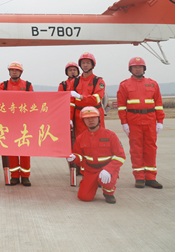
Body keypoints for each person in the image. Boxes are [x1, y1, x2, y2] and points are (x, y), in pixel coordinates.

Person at [117, 57, 165, 189]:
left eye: (140, 67)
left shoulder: (153, 84)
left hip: (150, 121)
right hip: (133, 122)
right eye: (135, 67)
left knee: (151, 149)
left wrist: (160, 121)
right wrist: (124, 123)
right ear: (130, 69)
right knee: (136, 150)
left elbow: (158, 104)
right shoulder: (124, 85)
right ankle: (139, 177)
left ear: (144, 68)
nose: (137, 69)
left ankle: (150, 177)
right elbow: (121, 106)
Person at [67, 107, 126, 204]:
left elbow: (120, 156)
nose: (91, 120)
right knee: (84, 197)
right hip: (90, 170)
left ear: (99, 118)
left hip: (107, 168)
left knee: (107, 182)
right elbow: (79, 155)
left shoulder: (110, 135)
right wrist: (74, 157)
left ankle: (108, 193)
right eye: (87, 118)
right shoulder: (80, 138)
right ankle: (88, 183)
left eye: (93, 117)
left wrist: (108, 170)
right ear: (83, 121)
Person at [0, 62, 33, 186]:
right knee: (11, 149)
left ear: (20, 72)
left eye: (16, 70)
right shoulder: (3, 85)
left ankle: (25, 176)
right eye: (12, 70)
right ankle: (14, 175)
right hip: (9, 122)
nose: (14, 72)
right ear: (9, 72)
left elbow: (32, 103)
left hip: (24, 122)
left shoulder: (28, 85)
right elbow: (0, 102)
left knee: (24, 149)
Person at [70, 52, 106, 139]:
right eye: (83, 63)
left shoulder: (99, 81)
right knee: (81, 140)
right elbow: (71, 103)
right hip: (79, 117)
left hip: (94, 116)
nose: (85, 65)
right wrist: (70, 118)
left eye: (88, 63)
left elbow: (96, 99)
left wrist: (81, 97)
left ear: (93, 65)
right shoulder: (74, 82)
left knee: (97, 139)